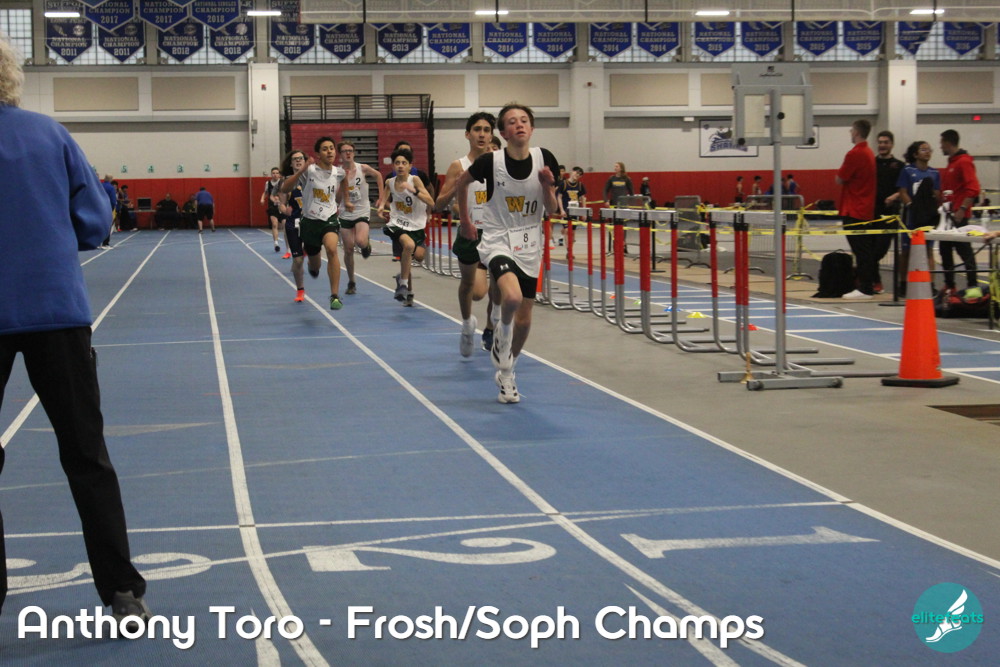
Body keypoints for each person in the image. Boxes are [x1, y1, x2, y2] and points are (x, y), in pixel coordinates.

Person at [0, 31, 149, 622]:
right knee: (86, 452)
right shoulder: (50, 134)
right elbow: (93, 222)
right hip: (55, 311)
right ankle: (121, 590)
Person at [455, 102, 560, 404]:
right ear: (503, 132)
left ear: (532, 128)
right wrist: (466, 221)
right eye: (512, 121)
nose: (519, 124)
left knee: (524, 321)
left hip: (529, 244)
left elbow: (552, 209)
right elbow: (462, 183)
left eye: (524, 120)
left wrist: (548, 188)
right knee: (511, 298)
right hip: (499, 239)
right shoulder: (491, 161)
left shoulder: (545, 158)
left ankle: (507, 372)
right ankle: (501, 331)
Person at [435, 111, 497, 356]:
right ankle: (467, 323)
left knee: (500, 285)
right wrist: (459, 185)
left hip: (495, 232)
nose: (481, 134)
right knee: (475, 290)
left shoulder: (499, 163)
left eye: (486, 130)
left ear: (491, 135)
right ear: (467, 134)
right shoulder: (458, 166)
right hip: (470, 233)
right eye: (477, 130)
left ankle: (491, 327)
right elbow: (439, 204)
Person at [281, 136, 349, 310]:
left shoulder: (339, 172)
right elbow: (285, 188)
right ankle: (313, 267)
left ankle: (334, 296)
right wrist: (301, 170)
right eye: (325, 149)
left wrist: (345, 200)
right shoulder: (309, 171)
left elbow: (344, 181)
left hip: (329, 219)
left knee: (332, 249)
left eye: (331, 148)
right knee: (315, 264)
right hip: (310, 222)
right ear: (318, 154)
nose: (329, 151)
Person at [380, 147, 434, 307]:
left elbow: (431, 202)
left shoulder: (415, 180)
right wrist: (381, 207)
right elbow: (384, 196)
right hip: (397, 224)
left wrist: (414, 191)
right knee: (408, 247)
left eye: (404, 163)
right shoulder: (390, 182)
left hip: (416, 225)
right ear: (393, 166)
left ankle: (401, 279)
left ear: (410, 166)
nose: (400, 166)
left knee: (418, 256)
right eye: (397, 163)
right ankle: (406, 288)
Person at [836, 119, 877, 300]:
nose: (850, 133)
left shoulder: (855, 154)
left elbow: (840, 178)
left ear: (857, 132)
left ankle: (865, 288)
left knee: (861, 250)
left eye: (851, 130)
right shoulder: (869, 153)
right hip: (864, 207)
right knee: (863, 250)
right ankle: (866, 285)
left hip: (854, 208)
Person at [939, 129, 982, 298]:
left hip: (958, 216)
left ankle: (973, 285)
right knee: (945, 250)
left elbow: (973, 189)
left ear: (948, 142)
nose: (940, 146)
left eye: (942, 143)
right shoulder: (952, 163)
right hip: (947, 216)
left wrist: (962, 209)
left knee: (964, 251)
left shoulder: (963, 162)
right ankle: (950, 285)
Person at [338, 140, 385, 295]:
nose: (348, 153)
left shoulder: (362, 168)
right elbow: (336, 197)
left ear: (354, 152)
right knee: (348, 249)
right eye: (344, 151)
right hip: (345, 211)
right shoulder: (337, 172)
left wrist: (381, 197)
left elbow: (378, 175)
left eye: (350, 150)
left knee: (360, 241)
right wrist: (342, 183)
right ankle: (351, 281)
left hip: (361, 210)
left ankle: (366, 245)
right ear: (340, 155)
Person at [895, 140, 941, 296]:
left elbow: (937, 193)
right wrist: (911, 206)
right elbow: (902, 192)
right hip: (911, 217)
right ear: (915, 154)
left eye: (929, 149)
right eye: (923, 149)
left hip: (927, 217)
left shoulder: (934, 173)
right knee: (906, 251)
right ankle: (903, 284)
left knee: (928, 250)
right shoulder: (907, 171)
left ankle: (931, 284)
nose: (927, 152)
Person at [384, 140, 435, 262]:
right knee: (405, 251)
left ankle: (408, 261)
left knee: (419, 256)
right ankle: (405, 273)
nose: (401, 165)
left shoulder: (419, 175)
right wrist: (391, 208)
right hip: (400, 221)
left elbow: (430, 192)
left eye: (406, 152)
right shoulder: (390, 178)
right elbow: (385, 199)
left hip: (416, 220)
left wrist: (428, 212)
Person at [277, 149, 313, 302]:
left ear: (305, 161)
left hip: (312, 221)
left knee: (314, 260)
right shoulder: (286, 182)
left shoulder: (313, 178)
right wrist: (284, 209)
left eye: (301, 158)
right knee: (298, 261)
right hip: (294, 222)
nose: (298, 160)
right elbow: (281, 204)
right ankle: (300, 290)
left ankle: (307, 254)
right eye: (295, 159)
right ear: (290, 164)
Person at [872, 130, 905, 294]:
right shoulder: (871, 163)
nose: (882, 145)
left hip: (891, 214)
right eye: (880, 142)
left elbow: (905, 188)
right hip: (871, 213)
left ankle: (864, 274)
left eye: (885, 142)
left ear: (891, 144)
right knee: (869, 249)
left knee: (880, 249)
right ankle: (875, 281)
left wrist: (895, 196)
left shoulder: (899, 165)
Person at [556, 166, 588, 247]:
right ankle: (568, 250)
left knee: (572, 232)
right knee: (567, 230)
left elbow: (583, 198)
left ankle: (570, 249)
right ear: (571, 172)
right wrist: (561, 210)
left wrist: (584, 212)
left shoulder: (580, 185)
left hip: (575, 212)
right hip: (566, 211)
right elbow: (559, 197)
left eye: (579, 174)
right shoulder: (563, 184)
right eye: (576, 172)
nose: (577, 175)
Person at [260, 167, 285, 254]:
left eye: (277, 173)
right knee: (274, 224)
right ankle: (276, 243)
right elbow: (266, 192)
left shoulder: (282, 182)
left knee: (285, 224)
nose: (275, 174)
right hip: (272, 206)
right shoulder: (268, 183)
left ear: (279, 174)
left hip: (282, 206)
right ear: (271, 174)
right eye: (273, 173)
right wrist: (262, 198)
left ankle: (289, 243)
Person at [100, 174, 117, 247]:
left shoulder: (99, 185)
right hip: (107, 208)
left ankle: (98, 242)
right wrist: (112, 208)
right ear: (111, 180)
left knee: (100, 225)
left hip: (99, 207)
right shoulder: (111, 188)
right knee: (107, 226)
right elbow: (113, 200)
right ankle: (105, 243)